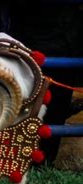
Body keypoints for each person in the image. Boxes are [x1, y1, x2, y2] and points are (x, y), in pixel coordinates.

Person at [8, 0, 83, 164]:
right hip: (33, 46)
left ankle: (43, 161)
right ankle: (22, 161)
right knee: (24, 106)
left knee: (55, 107)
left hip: (61, 47)